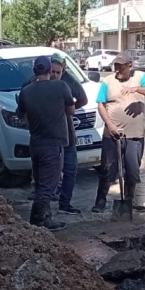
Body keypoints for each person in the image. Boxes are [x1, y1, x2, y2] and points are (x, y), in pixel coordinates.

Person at [92, 52, 145, 214]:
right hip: (112, 134)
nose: (117, 71)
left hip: (135, 135)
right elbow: (101, 105)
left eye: (121, 68)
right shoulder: (107, 82)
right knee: (108, 168)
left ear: (130, 66)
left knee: (132, 169)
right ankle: (100, 201)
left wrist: (136, 89)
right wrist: (109, 125)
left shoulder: (140, 77)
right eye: (115, 67)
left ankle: (129, 200)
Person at [16, 56, 75, 231]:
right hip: (53, 144)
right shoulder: (60, 86)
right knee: (48, 186)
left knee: (41, 182)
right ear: (50, 71)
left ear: (34, 71)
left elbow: (20, 114)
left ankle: (46, 219)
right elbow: (71, 110)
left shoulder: (26, 91)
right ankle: (37, 222)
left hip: (35, 144)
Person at [49, 52, 88, 215]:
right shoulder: (39, 82)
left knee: (71, 169)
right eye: (52, 71)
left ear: (63, 69)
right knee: (49, 171)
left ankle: (65, 203)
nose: (55, 75)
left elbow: (83, 99)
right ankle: (45, 207)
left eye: (58, 72)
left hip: (67, 133)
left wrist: (68, 110)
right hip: (49, 135)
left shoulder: (69, 81)